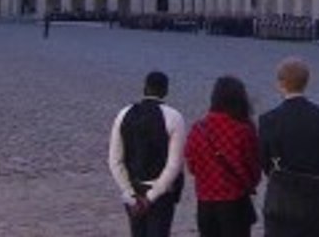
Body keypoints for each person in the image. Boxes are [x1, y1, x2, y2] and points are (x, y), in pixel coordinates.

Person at [258, 57, 319, 237]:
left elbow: (264, 162)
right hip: (317, 196)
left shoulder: (269, 119)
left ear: (281, 83)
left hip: (283, 197)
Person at [109, 71, 187, 237]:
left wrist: (129, 194)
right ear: (165, 91)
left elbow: (115, 160)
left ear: (144, 88)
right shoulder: (174, 117)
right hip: (161, 194)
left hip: (133, 190)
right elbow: (174, 165)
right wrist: (151, 197)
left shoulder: (124, 114)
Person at [185, 76, 261, 237]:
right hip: (235, 203)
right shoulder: (243, 129)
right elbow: (253, 166)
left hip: (205, 202)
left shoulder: (198, 129)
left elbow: (192, 166)